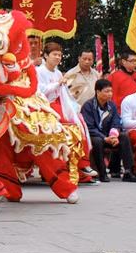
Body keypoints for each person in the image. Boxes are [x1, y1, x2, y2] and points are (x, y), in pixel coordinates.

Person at [37, 42, 97, 179]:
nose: (58, 57)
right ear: (46, 55)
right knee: (71, 126)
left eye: (59, 55)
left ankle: (83, 163)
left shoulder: (58, 72)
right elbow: (40, 91)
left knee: (80, 122)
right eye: (54, 54)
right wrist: (58, 83)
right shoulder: (39, 72)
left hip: (59, 104)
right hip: (46, 106)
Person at [82, 79, 136, 183]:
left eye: (111, 91)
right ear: (98, 92)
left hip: (108, 135)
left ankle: (128, 171)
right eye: (106, 91)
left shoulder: (111, 106)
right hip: (96, 136)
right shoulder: (88, 106)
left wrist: (113, 135)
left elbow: (117, 122)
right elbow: (89, 127)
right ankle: (102, 172)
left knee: (124, 136)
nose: (110, 94)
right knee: (97, 141)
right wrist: (105, 138)